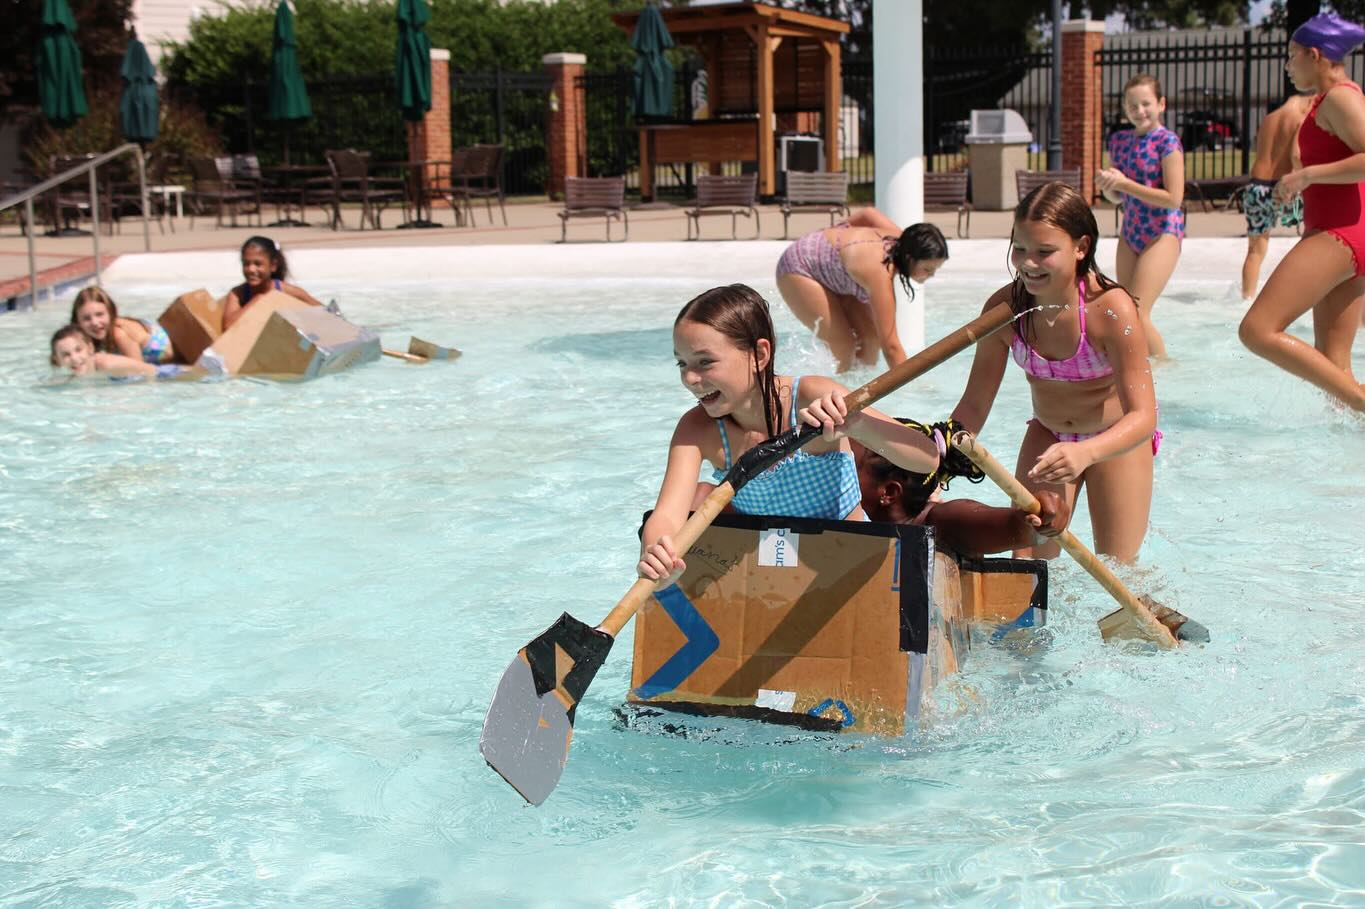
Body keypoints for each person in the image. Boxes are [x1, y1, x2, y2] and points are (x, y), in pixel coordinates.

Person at [637, 284, 942, 584]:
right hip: (769, 577)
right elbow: (666, 514)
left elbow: (927, 459)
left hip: (844, 567)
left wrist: (858, 424)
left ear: (759, 354)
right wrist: (655, 552)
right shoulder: (697, 429)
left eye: (705, 362)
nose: (689, 378)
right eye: (682, 363)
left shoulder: (812, 397)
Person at [950, 182, 1159, 563]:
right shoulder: (1005, 310)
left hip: (1113, 443)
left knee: (1118, 568)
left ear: (1081, 247)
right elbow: (975, 403)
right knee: (1027, 562)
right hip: (1047, 435)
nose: (1028, 263)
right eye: (1020, 249)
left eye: (1045, 252)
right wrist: (941, 456)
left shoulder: (1110, 311)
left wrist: (1086, 452)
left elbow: (1144, 417)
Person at [1239, 12, 1365, 413]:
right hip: (1345, 232)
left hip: (1341, 233)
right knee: (1334, 372)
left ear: (1314, 55)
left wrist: (1307, 175)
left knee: (1256, 330)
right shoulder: (1334, 99)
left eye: (1291, 57)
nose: (1287, 67)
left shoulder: (1341, 97)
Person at [852, 419, 1071, 557]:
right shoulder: (851, 520)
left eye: (850, 464)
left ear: (889, 493)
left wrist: (1040, 518)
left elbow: (1013, 528)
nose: (838, 471)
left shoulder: (943, 522)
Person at [775, 209, 948, 372]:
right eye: (927, 269)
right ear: (910, 258)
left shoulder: (903, 240)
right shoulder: (879, 273)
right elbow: (891, 346)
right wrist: (912, 390)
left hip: (838, 273)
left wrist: (836, 234)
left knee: (870, 340)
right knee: (844, 345)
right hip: (800, 266)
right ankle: (837, 396)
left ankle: (858, 389)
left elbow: (868, 213)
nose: (932, 275)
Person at [1097, 73, 1185, 358]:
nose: (1140, 111)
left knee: (1136, 310)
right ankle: (1135, 364)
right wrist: (1110, 187)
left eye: (1146, 104)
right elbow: (1119, 197)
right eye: (1132, 106)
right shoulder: (1119, 141)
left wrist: (1125, 184)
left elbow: (1174, 198)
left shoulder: (1167, 142)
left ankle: (1165, 368)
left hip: (1162, 232)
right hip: (1131, 231)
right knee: (1124, 311)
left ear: (1161, 104)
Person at [1242, 93, 1314, 300]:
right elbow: (1296, 156)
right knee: (1313, 238)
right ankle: (1305, 293)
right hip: (1281, 188)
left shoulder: (1269, 118)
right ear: (1309, 102)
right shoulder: (1300, 119)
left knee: (1255, 252)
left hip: (1256, 188)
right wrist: (1300, 179)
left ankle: (1246, 299)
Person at [222, 236, 323, 331]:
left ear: (273, 266)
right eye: (246, 264)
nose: (251, 269)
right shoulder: (238, 294)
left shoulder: (286, 291)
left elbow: (327, 316)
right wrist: (257, 300)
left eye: (258, 264)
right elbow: (228, 327)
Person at [49, 324, 193, 381]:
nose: (74, 358)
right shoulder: (76, 375)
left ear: (90, 349)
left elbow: (152, 372)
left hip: (171, 375)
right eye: (66, 355)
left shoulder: (106, 364)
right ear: (57, 360)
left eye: (78, 350)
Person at [70, 286, 175, 364]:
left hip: (177, 357)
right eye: (86, 318)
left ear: (111, 313)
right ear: (77, 322)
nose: (95, 322)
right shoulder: (88, 338)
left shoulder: (118, 333)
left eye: (99, 314)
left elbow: (139, 372)